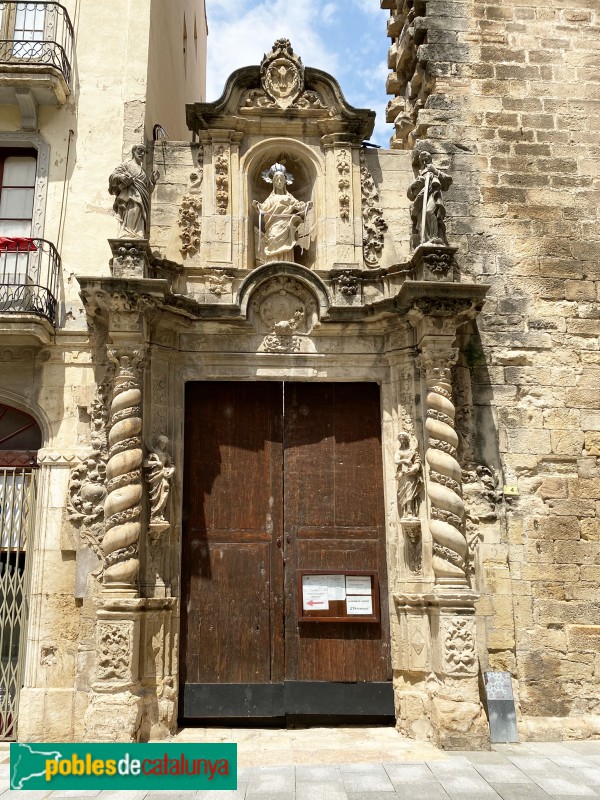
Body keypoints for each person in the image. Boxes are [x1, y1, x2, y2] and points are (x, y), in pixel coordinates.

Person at [253, 162, 312, 263]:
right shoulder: (271, 199)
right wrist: (258, 206)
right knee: (273, 239)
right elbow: (264, 208)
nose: (279, 182)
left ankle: (286, 262)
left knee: (286, 247)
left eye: (281, 180)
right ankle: (273, 262)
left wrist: (306, 206)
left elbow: (300, 208)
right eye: (277, 180)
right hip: (273, 226)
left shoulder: (289, 198)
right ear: (273, 182)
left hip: (286, 226)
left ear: (285, 182)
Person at [109, 144, 159, 238]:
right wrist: (121, 177)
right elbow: (113, 176)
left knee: (138, 213)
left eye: (144, 152)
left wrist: (152, 181)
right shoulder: (127, 165)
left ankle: (136, 233)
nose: (142, 153)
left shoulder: (143, 171)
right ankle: (128, 232)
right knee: (132, 210)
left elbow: (147, 190)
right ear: (133, 151)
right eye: (140, 150)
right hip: (130, 196)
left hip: (141, 198)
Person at [407, 151, 452, 246]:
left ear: (430, 160)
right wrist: (412, 186)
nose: (424, 163)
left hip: (433, 195)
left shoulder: (434, 171)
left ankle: (434, 237)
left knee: (429, 212)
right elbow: (411, 196)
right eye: (422, 161)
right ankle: (425, 240)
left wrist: (435, 171)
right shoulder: (420, 175)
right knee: (421, 220)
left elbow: (447, 181)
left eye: (426, 160)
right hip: (421, 200)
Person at [394, 432, 422, 519]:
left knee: (410, 492)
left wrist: (415, 468)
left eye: (403, 439)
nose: (402, 441)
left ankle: (411, 512)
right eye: (400, 439)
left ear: (407, 439)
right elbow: (396, 460)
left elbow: (418, 461)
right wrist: (405, 460)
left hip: (411, 474)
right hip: (402, 474)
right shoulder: (399, 451)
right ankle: (405, 512)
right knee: (404, 492)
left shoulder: (412, 451)